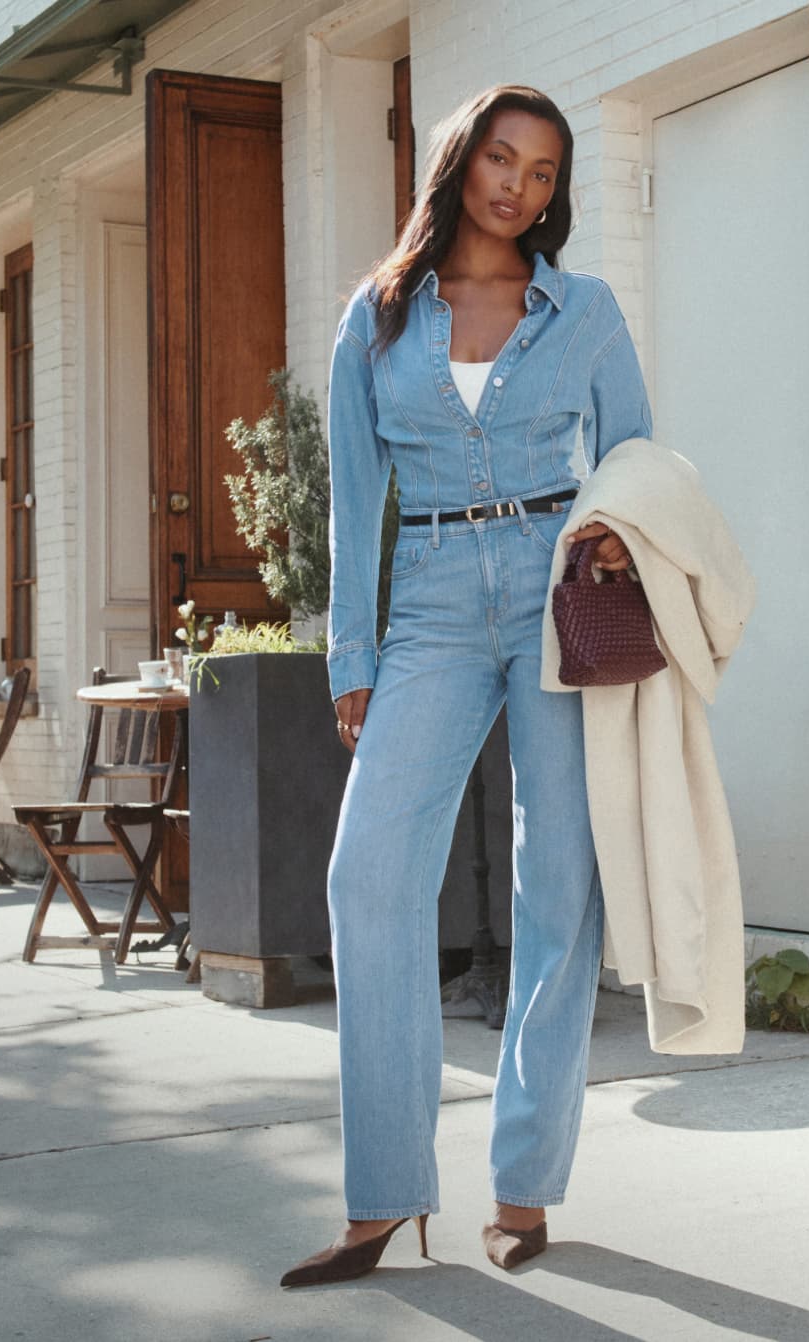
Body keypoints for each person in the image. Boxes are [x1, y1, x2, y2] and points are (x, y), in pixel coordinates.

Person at [281, 83, 652, 1289]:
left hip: (554, 586)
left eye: (542, 172)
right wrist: (352, 656)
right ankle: (384, 1194)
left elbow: (635, 462)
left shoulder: (583, 309)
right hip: (431, 599)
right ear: (460, 161)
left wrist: (612, 537)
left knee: (559, 886)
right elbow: (351, 503)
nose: (518, 187)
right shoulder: (377, 320)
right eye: (501, 158)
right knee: (368, 875)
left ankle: (522, 1185)